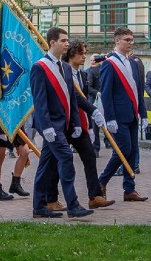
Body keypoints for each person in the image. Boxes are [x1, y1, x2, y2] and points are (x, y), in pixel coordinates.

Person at [30, 27, 93, 219]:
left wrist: (75, 122)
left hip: (64, 124)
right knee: (66, 157)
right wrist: (46, 127)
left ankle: (39, 206)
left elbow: (71, 99)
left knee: (45, 165)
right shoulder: (39, 67)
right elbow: (40, 101)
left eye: (67, 40)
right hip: (51, 126)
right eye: (63, 40)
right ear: (52, 43)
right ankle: (73, 205)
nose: (67, 44)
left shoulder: (65, 67)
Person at [43, 39, 113, 210]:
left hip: (78, 123)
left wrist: (88, 120)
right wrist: (93, 110)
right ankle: (51, 200)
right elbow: (74, 97)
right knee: (54, 161)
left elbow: (81, 98)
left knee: (89, 156)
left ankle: (94, 195)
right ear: (72, 53)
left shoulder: (82, 74)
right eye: (81, 53)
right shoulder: (61, 70)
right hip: (61, 122)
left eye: (84, 53)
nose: (84, 56)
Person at [98, 27, 148, 203]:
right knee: (122, 150)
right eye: (127, 39)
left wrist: (143, 114)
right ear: (117, 41)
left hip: (133, 114)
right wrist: (110, 118)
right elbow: (106, 93)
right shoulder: (109, 64)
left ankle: (129, 189)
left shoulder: (133, 63)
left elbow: (138, 90)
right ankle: (101, 181)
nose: (130, 42)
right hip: (118, 117)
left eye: (132, 39)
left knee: (133, 151)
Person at [86, 53, 105, 154]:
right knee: (95, 126)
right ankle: (95, 147)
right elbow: (88, 87)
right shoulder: (90, 71)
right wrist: (97, 93)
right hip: (95, 101)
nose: (93, 62)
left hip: (99, 101)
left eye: (95, 60)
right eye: (92, 60)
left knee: (96, 126)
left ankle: (96, 147)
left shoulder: (98, 70)